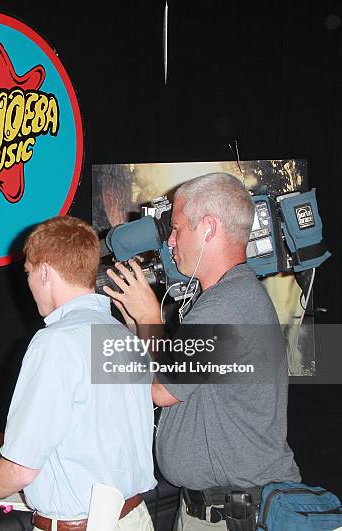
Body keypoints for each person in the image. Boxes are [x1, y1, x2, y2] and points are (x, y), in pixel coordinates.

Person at [104, 173, 300, 530]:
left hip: (233, 513)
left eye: (177, 228)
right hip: (215, 508)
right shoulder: (231, 297)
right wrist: (138, 323)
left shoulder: (226, 306)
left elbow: (160, 391)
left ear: (208, 228)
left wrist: (149, 317)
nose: (171, 241)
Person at [0, 216, 156, 531]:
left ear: (45, 271)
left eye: (28, 272)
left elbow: (20, 470)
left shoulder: (56, 342)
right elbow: (85, 437)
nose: (27, 283)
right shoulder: (120, 333)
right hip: (134, 519)